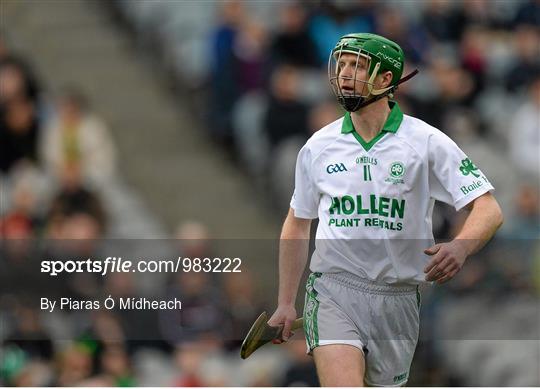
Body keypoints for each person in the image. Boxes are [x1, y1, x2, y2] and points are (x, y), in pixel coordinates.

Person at [268, 33, 503, 387]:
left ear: (385, 79)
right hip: (333, 288)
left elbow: (488, 208)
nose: (345, 73)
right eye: (343, 64)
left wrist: (460, 246)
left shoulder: (427, 142)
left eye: (358, 66)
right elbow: (297, 224)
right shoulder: (319, 146)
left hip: (399, 296)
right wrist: (286, 301)